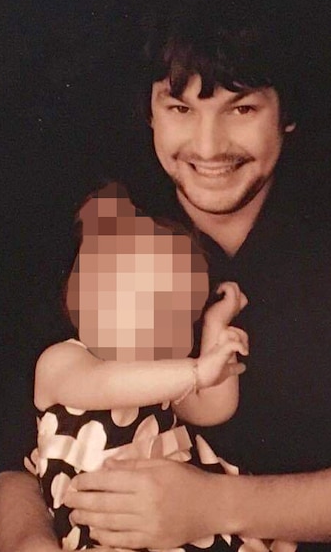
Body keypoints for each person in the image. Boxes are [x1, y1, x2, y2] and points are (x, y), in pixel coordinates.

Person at [0, 0, 331, 552]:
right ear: (151, 112)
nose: (208, 147)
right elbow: (14, 456)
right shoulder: (106, 235)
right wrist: (28, 544)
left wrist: (210, 506)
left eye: (241, 108)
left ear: (288, 116)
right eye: (181, 108)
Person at [27, 181, 291, 552]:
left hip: (174, 513)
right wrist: (196, 372)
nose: (163, 327)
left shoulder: (161, 376)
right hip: (106, 522)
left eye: (181, 316)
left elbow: (214, 408)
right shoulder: (63, 360)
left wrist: (216, 328)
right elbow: (105, 385)